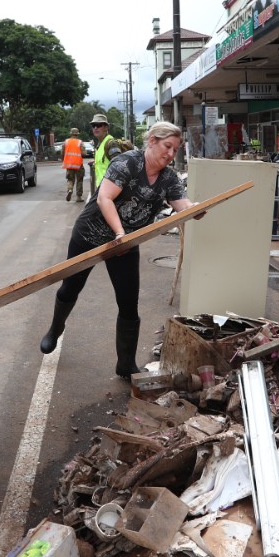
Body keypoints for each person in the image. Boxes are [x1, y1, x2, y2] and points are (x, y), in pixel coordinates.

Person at [38, 121, 197, 379]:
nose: (170, 154)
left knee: (128, 303)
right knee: (71, 287)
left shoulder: (169, 178)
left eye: (175, 150)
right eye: (167, 146)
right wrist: (120, 233)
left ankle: (125, 364)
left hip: (124, 245)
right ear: (153, 141)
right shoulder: (127, 163)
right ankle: (55, 330)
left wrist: (195, 210)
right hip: (91, 234)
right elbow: (105, 197)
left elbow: (183, 205)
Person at [88, 113, 126, 192]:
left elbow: (119, 167)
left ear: (106, 127)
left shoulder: (111, 144)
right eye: (93, 125)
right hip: (101, 188)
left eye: (98, 125)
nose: (95, 128)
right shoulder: (100, 145)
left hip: (110, 190)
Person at [62, 127, 86, 202]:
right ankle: (79, 197)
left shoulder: (66, 142)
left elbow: (62, 153)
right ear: (77, 134)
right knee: (79, 180)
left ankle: (70, 190)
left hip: (69, 164)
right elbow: (83, 153)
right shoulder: (80, 142)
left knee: (70, 179)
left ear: (71, 134)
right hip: (78, 164)